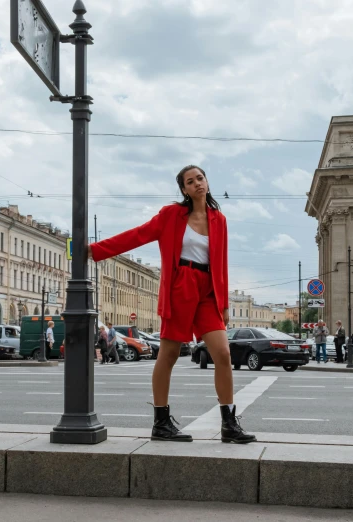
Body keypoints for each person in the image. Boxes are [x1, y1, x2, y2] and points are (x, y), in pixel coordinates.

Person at [89, 165, 254, 444]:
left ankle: (229, 423)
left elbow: (221, 263)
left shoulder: (219, 219)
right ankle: (161, 422)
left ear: (207, 181)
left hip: (208, 292)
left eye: (200, 178)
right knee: (169, 355)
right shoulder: (171, 215)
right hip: (181, 286)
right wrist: (95, 250)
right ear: (184, 190)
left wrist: (224, 302)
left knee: (223, 353)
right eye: (190, 182)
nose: (197, 184)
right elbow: (138, 234)